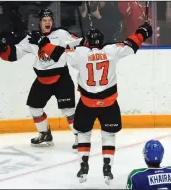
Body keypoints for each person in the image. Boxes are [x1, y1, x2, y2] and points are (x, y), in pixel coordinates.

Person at [36, 21, 153, 184]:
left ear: (87, 42)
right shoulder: (112, 50)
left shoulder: (79, 53)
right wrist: (143, 31)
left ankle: (84, 165)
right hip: (109, 104)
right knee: (109, 135)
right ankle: (107, 167)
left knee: (83, 134)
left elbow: (57, 54)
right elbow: (132, 44)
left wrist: (43, 43)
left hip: (87, 104)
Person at [0, 9, 83, 153]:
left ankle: (80, 137)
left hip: (61, 77)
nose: (48, 22)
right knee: (34, 108)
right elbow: (14, 54)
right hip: (42, 80)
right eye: (44, 20)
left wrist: (84, 42)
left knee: (68, 110)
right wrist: (3, 49)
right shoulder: (32, 38)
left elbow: (77, 43)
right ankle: (45, 134)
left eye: (50, 19)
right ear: (39, 23)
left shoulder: (61, 34)